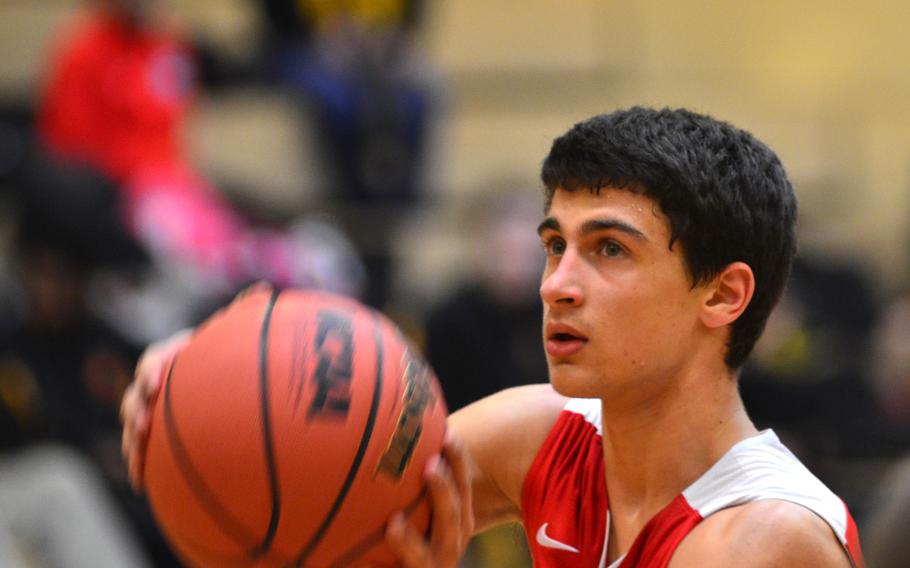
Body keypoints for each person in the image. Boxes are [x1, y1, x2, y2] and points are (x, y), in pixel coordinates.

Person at [122, 107, 865, 567]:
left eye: (609, 249)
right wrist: (194, 385)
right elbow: (313, 497)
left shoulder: (765, 542)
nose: (556, 284)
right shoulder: (546, 435)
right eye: (555, 245)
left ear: (723, 294)